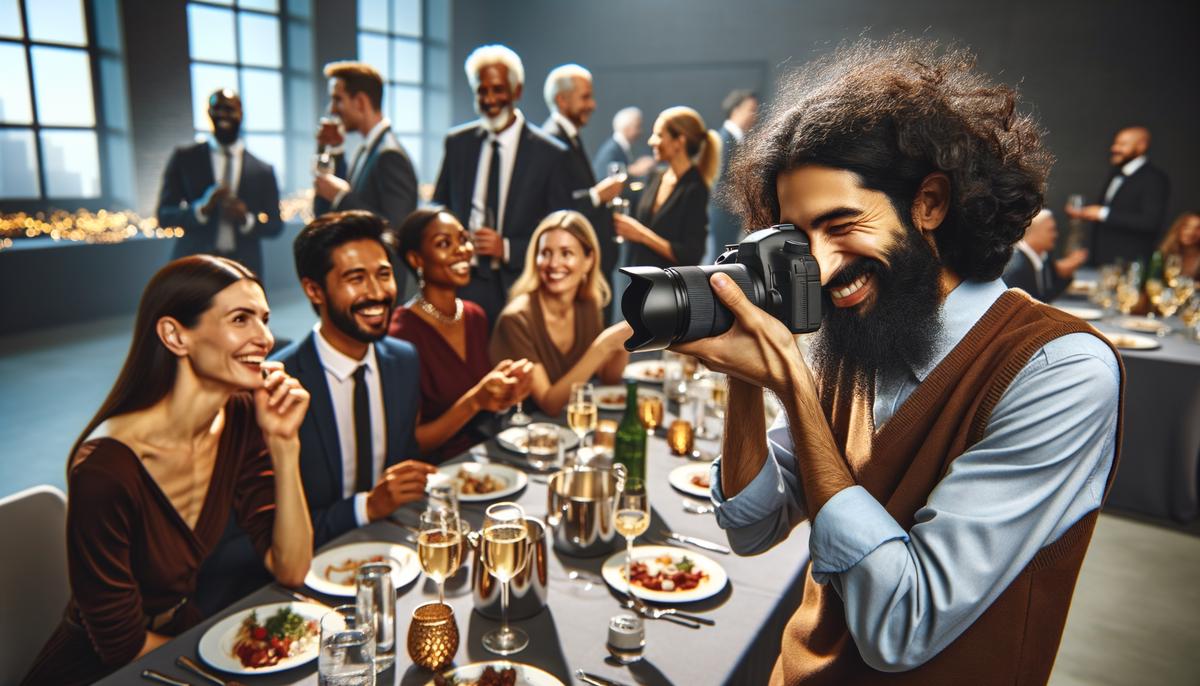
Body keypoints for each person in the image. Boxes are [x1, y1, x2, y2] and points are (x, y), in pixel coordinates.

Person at [676, 40, 1123, 683]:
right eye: (801, 239)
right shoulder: (859, 333)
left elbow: (903, 626)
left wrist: (793, 384)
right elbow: (750, 527)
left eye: (841, 224)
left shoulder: (1059, 371)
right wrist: (746, 380)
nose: (823, 267)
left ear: (931, 204)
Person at [21, 256, 313, 686]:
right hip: (105, 671)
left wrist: (285, 444)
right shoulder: (105, 468)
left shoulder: (240, 417)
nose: (265, 338)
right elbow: (119, 646)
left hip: (181, 639)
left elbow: (291, 569)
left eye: (264, 319)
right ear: (175, 336)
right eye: (241, 319)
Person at [274, 211, 436, 547]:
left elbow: (404, 465)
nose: (377, 293)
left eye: (384, 274)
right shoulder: (280, 384)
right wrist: (367, 507)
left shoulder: (404, 360)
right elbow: (270, 528)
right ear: (314, 290)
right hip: (314, 560)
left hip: (394, 547)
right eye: (356, 278)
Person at [432, 44, 573, 327]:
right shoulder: (458, 143)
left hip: (519, 284)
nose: (489, 98)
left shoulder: (550, 153)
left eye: (497, 89)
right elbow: (439, 206)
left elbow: (560, 230)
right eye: (481, 91)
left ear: (516, 91)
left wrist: (506, 248)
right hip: (462, 280)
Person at [389, 207, 534, 461]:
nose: (462, 250)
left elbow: (486, 405)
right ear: (416, 260)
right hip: (436, 473)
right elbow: (411, 443)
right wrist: (475, 401)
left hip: (486, 458)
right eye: (444, 243)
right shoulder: (401, 334)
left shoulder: (475, 315)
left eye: (463, 239)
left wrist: (508, 393)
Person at [489, 210, 631, 416]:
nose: (554, 264)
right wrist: (604, 345)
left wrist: (626, 342)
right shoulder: (516, 319)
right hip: (522, 432)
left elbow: (608, 378)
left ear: (588, 260)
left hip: (569, 426)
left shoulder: (587, 305)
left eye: (566, 253)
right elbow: (549, 403)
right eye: (545, 253)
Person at [314, 61, 420, 297]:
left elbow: (394, 232)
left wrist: (342, 197)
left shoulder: (390, 155)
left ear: (360, 101)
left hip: (382, 290)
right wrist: (331, 149)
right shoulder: (365, 150)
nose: (332, 109)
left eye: (337, 99)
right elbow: (324, 211)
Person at [156, 89, 283, 277]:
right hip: (195, 266)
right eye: (218, 108)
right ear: (208, 113)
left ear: (241, 114)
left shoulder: (263, 169)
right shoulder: (185, 159)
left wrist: (246, 219)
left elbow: (276, 225)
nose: (223, 114)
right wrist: (200, 210)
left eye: (230, 109)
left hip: (244, 267)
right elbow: (164, 215)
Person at [541, 64, 625, 289]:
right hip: (576, 268)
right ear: (562, 100)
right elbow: (555, 206)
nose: (593, 105)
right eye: (585, 97)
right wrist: (597, 196)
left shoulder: (569, 137)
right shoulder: (551, 142)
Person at [612, 106, 719, 269]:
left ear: (679, 141)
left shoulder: (695, 189)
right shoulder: (656, 176)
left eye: (659, 135)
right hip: (638, 279)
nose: (651, 141)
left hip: (667, 286)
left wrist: (641, 234)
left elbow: (690, 255)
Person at [1065, 126, 1170, 266]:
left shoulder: (1154, 179)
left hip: (1128, 263)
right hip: (1100, 260)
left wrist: (1103, 213)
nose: (1114, 148)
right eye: (1115, 143)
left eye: (1122, 144)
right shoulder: (1116, 173)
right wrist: (1086, 214)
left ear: (1142, 146)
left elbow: (1150, 222)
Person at [705, 89, 759, 263]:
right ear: (735, 109)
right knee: (718, 261)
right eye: (750, 109)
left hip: (729, 214)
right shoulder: (723, 139)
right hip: (723, 214)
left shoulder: (736, 139)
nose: (754, 115)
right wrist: (743, 207)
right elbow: (721, 183)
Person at [1002, 209, 1089, 302]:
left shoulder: (1042, 258)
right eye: (1051, 230)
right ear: (1034, 232)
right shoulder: (1016, 267)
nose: (1055, 235)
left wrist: (1067, 274)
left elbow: (1045, 297)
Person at [592, 106, 655, 183]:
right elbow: (604, 176)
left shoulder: (619, 147)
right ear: (626, 127)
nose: (640, 132)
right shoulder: (612, 149)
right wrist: (634, 169)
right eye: (637, 127)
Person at [1158, 211, 1200, 279]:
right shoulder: (1163, 253)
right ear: (1178, 228)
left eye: (1198, 228)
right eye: (1187, 226)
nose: (1191, 232)